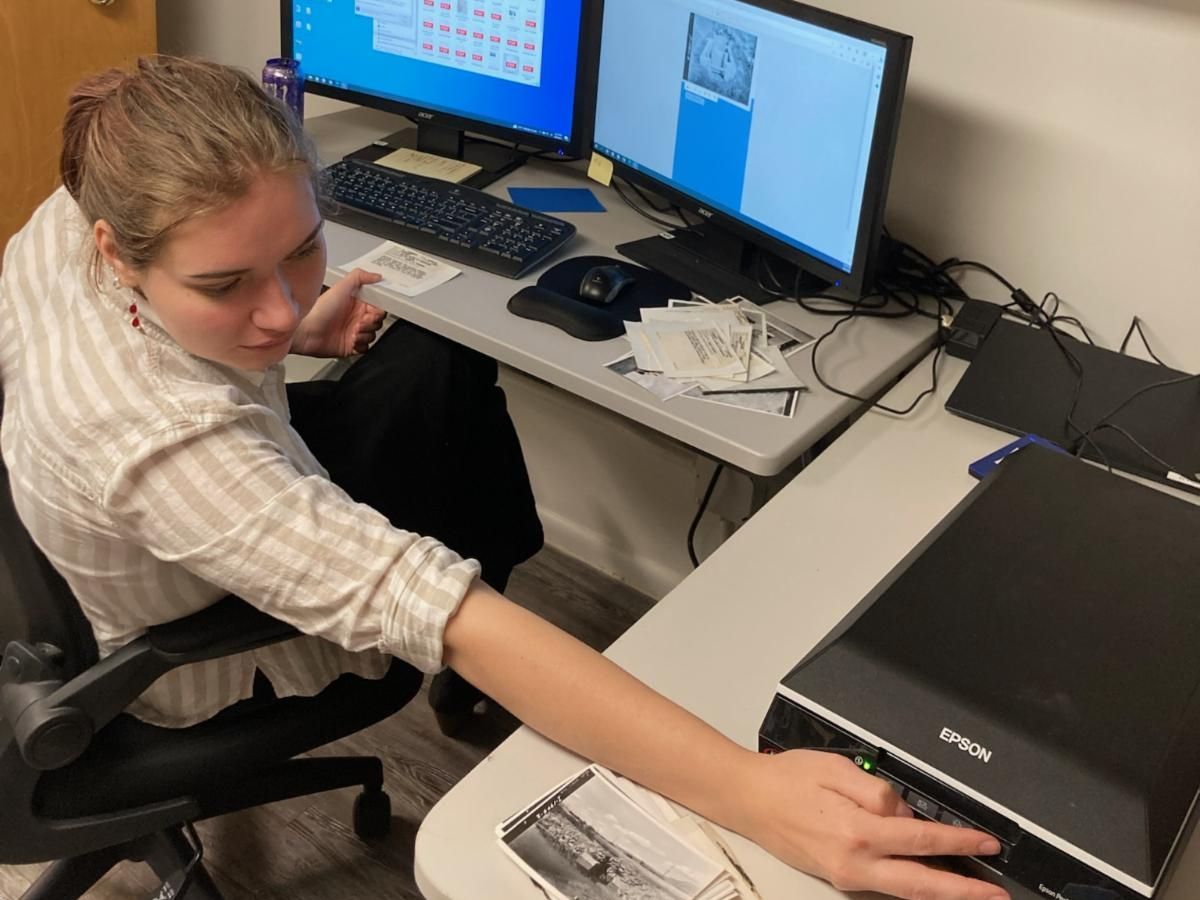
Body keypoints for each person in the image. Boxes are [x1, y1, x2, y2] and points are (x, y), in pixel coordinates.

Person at [0, 56, 1009, 900]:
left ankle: (496, 555)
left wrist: (286, 328)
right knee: (457, 484)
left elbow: (242, 309)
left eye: (302, 250)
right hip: (185, 650)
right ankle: (482, 639)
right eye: (225, 287)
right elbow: (448, 612)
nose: (276, 309)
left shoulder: (78, 214)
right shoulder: (160, 442)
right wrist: (755, 794)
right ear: (118, 255)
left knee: (431, 358)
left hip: (94, 559)